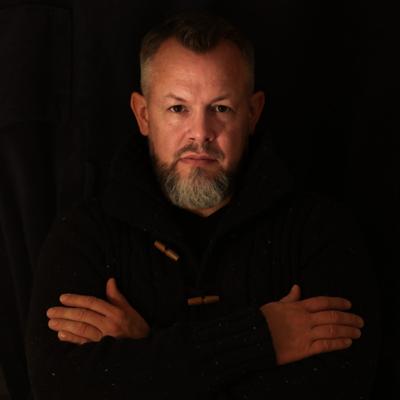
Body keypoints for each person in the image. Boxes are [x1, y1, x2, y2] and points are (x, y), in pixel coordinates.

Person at [26, 12, 380, 399]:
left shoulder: (320, 231)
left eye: (221, 108)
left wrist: (145, 350)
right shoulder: (84, 236)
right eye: (178, 108)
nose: (200, 133)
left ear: (252, 113)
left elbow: (341, 385)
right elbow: (60, 388)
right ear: (143, 115)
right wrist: (260, 339)